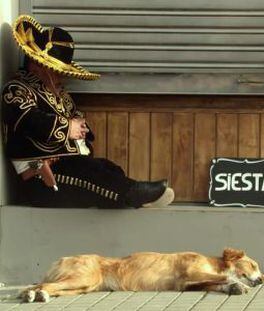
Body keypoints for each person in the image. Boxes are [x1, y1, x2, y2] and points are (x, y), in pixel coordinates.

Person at [2, 15, 174, 208]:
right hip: (40, 179)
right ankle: (132, 195)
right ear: (38, 64)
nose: (60, 76)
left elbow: (83, 130)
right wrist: (67, 128)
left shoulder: (60, 95)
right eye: (56, 70)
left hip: (67, 166)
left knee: (108, 168)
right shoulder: (16, 90)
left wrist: (80, 130)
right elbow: (29, 121)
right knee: (88, 172)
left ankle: (130, 198)